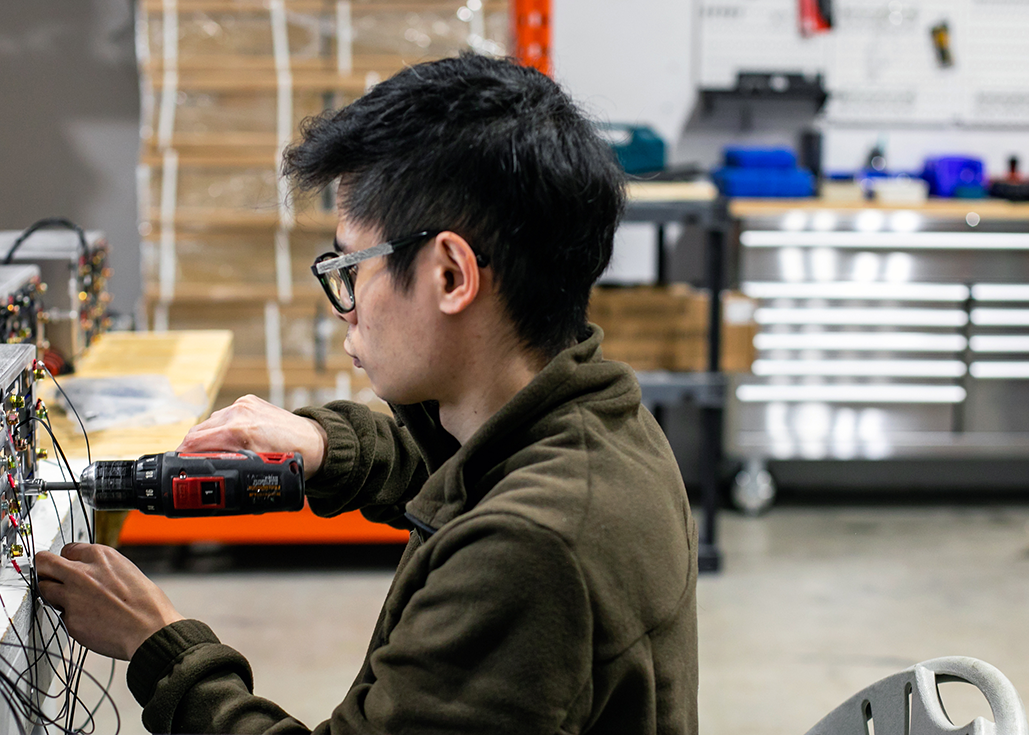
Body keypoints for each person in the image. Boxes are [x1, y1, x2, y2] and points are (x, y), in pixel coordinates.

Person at [36, 52, 698, 734]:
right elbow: (454, 472)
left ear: (449, 275)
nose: (344, 306)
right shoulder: (600, 417)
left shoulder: (528, 550)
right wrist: (326, 445)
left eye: (351, 267)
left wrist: (158, 644)